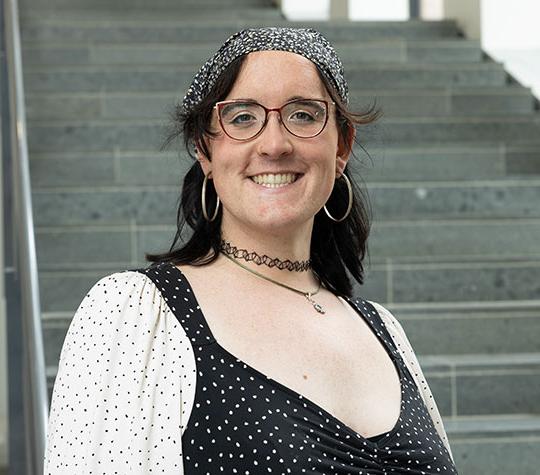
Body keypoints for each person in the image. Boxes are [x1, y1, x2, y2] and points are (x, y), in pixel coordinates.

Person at [44, 27, 458, 474]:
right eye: (242, 118)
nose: (275, 144)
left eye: (302, 115)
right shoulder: (134, 314)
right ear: (205, 149)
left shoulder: (384, 330)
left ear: (341, 147)